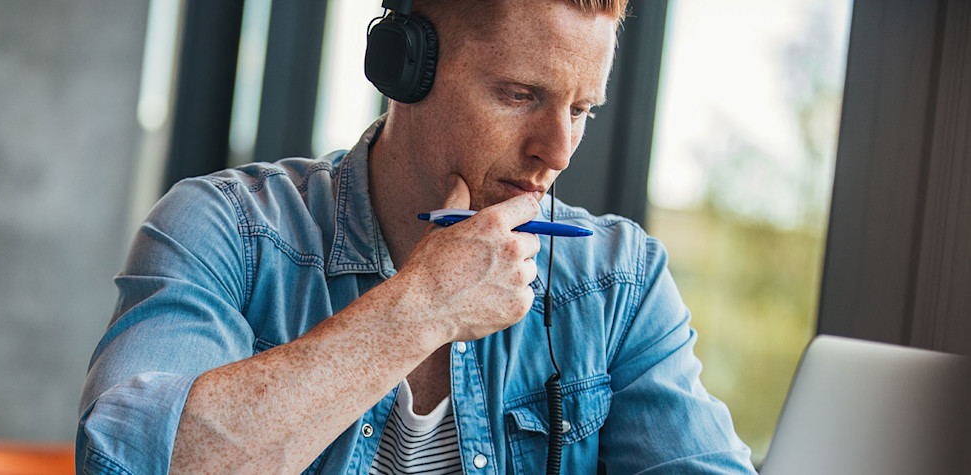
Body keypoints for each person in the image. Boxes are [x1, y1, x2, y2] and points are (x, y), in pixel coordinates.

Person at [78, 0, 757, 473]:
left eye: (580, 109)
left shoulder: (617, 279)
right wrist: (422, 305)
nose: (557, 151)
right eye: (519, 95)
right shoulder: (224, 226)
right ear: (404, 69)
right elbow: (133, 464)